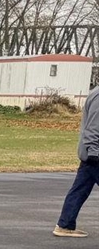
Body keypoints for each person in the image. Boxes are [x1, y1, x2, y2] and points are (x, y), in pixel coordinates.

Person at [54, 81, 99, 238]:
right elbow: (94, 127)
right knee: (79, 190)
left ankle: (65, 225)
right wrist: (94, 151)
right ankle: (64, 224)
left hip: (91, 154)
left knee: (79, 190)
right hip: (95, 154)